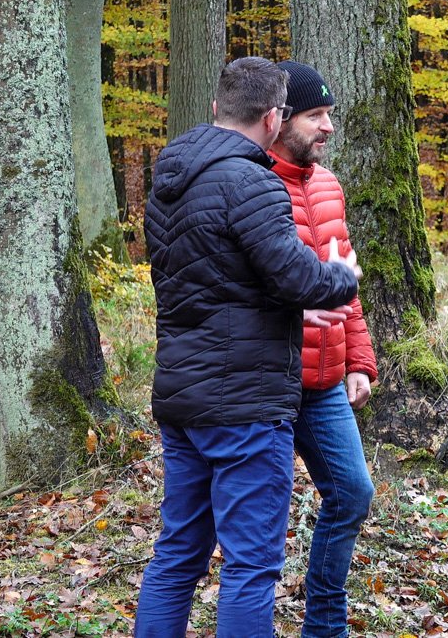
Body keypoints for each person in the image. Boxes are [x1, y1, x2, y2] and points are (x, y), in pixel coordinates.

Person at [135, 56, 362, 638]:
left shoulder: (170, 177)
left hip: (183, 392)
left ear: (216, 109)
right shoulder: (251, 180)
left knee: (178, 553)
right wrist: (340, 276)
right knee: (251, 564)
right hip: (245, 402)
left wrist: (290, 302)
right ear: (272, 118)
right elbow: (299, 278)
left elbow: (215, 280)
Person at [267, 59, 378, 638]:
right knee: (256, 516)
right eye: (316, 116)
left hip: (325, 380)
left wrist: (358, 360)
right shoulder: (252, 184)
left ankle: (324, 627)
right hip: (267, 379)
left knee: (353, 492)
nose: (328, 127)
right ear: (279, 119)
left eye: (329, 115)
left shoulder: (328, 184)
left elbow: (345, 282)